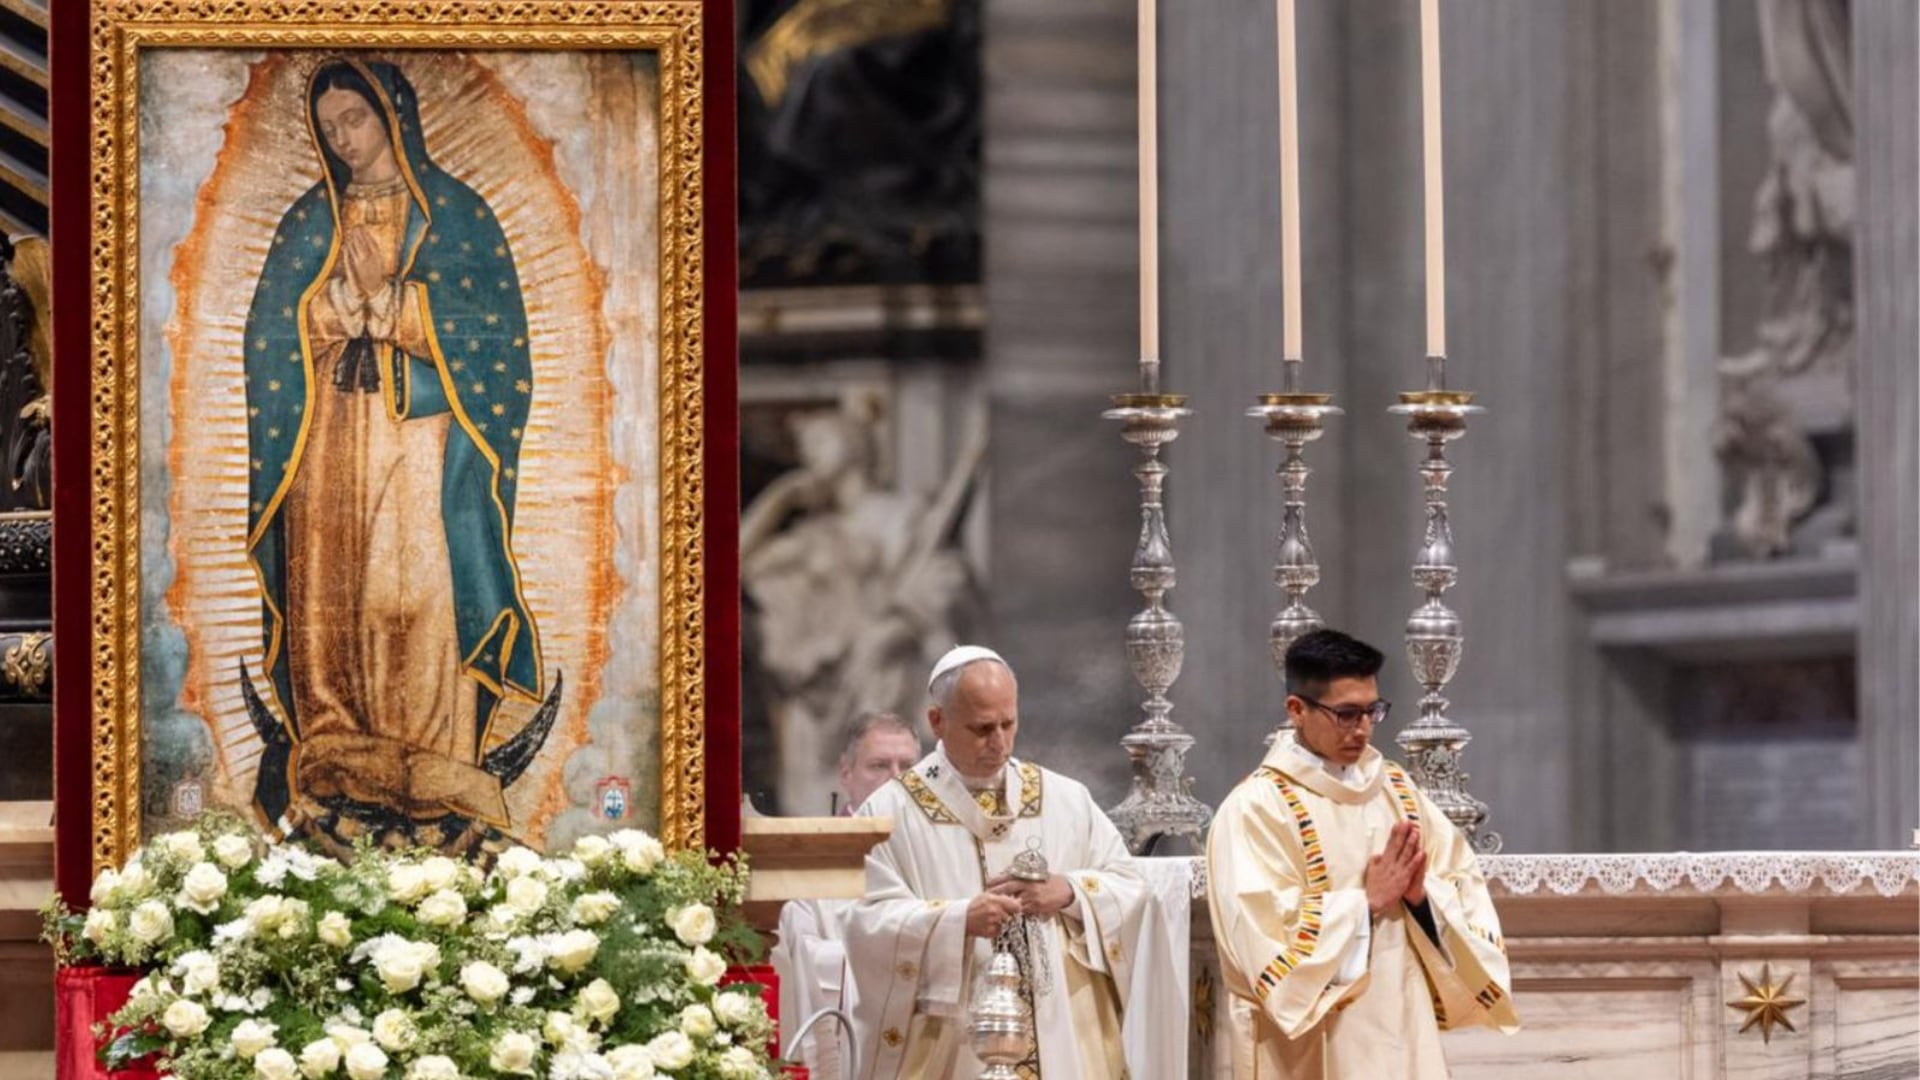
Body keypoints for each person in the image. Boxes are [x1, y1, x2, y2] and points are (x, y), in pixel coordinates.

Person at [242, 58, 542, 843]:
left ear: (392, 116)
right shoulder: (312, 220)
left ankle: (434, 765)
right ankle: (336, 755)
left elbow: (494, 343)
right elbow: (272, 333)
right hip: (330, 437)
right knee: (330, 602)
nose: (344, 139)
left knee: (409, 597)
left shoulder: (454, 216)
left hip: (418, 437)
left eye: (356, 120)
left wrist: (396, 305)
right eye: (331, 126)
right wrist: (330, 309)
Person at [844, 646, 1171, 1080]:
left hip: (1062, 1040)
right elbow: (864, 921)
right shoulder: (888, 815)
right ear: (937, 722)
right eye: (981, 728)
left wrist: (1070, 892)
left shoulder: (1065, 799)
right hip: (950, 1044)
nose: (998, 742)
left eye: (1008, 723)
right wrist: (958, 919)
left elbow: (1130, 886)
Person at [1206, 628, 1519, 1077]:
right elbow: (1257, 934)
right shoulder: (1256, 808)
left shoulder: (1395, 790)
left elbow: (1459, 880)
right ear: (1297, 710)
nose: (1363, 729)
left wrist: (1419, 897)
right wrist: (1365, 906)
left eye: (1373, 711)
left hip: (1403, 1023)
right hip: (1312, 1045)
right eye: (1347, 714)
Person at [771, 711, 924, 1079]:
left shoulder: (940, 853)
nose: (896, 780)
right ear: (845, 773)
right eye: (879, 765)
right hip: (849, 1042)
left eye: (907, 766)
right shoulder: (809, 859)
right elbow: (802, 963)